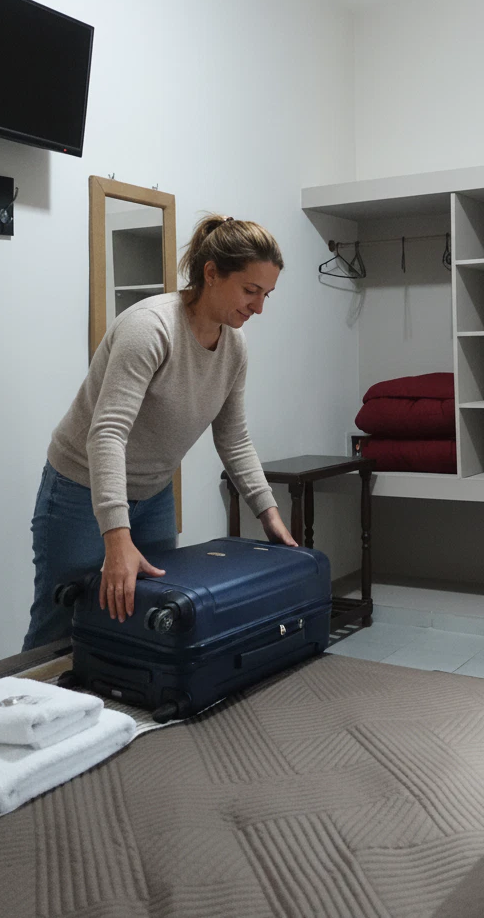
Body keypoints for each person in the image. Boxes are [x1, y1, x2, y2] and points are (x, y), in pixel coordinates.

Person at [23, 215, 296, 651]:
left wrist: (269, 514)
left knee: (143, 623)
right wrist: (116, 536)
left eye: (267, 294)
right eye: (251, 290)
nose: (259, 307)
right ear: (211, 273)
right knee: (60, 626)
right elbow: (107, 433)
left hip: (154, 494)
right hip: (80, 489)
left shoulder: (234, 347)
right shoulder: (150, 328)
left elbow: (234, 439)